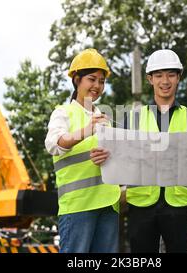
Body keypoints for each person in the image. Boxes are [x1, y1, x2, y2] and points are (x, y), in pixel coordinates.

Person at [91, 49, 187, 253]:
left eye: (171, 74)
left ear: (179, 77)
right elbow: (119, 158)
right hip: (141, 204)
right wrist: (103, 158)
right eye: (159, 75)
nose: (165, 81)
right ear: (150, 79)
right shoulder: (133, 118)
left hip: (179, 205)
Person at [45, 48, 121, 253]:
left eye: (102, 81)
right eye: (91, 79)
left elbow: (117, 160)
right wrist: (86, 131)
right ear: (77, 80)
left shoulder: (106, 120)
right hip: (78, 207)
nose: (97, 85)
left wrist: (110, 157)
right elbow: (53, 144)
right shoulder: (64, 113)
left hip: (108, 205)